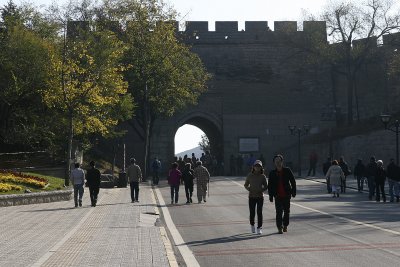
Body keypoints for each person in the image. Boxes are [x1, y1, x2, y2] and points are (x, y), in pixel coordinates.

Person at [268, 154, 296, 234]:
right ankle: (279, 227)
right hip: (277, 196)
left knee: (287, 211)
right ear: (274, 163)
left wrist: (293, 191)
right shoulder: (272, 173)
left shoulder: (287, 170)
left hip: (286, 194)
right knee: (279, 212)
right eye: (276, 161)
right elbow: (270, 185)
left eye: (279, 161)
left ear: (282, 161)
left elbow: (293, 181)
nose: (278, 163)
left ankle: (285, 225)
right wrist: (271, 196)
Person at [244, 160, 268, 235]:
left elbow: (266, 186)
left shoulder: (263, 176)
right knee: (252, 212)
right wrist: (249, 189)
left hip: (260, 196)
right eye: (256, 166)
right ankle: (252, 225)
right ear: (253, 167)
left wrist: (262, 190)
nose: (257, 168)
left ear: (261, 168)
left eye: (259, 166)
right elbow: (246, 185)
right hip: (251, 196)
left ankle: (259, 227)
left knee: (259, 212)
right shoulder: (249, 175)